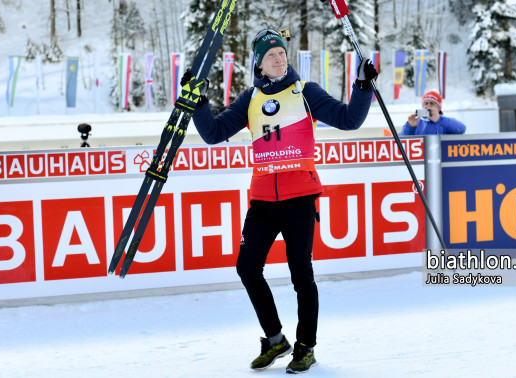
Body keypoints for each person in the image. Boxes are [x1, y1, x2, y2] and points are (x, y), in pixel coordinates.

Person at [184, 29, 377, 374]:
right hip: (262, 201)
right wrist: (198, 101)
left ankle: (305, 347)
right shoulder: (250, 99)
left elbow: (350, 120)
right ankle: (275, 340)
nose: (279, 58)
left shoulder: (306, 92)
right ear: (259, 63)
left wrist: (362, 86)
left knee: (301, 275)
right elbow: (213, 134)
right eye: (271, 54)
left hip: (299, 198)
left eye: (282, 53)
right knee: (246, 268)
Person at [399, 90, 466, 135]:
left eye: (432, 103)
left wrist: (439, 119)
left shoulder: (444, 121)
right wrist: (410, 127)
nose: (428, 106)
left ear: (439, 107)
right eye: (426, 103)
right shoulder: (417, 122)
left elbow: (462, 129)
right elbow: (400, 141)